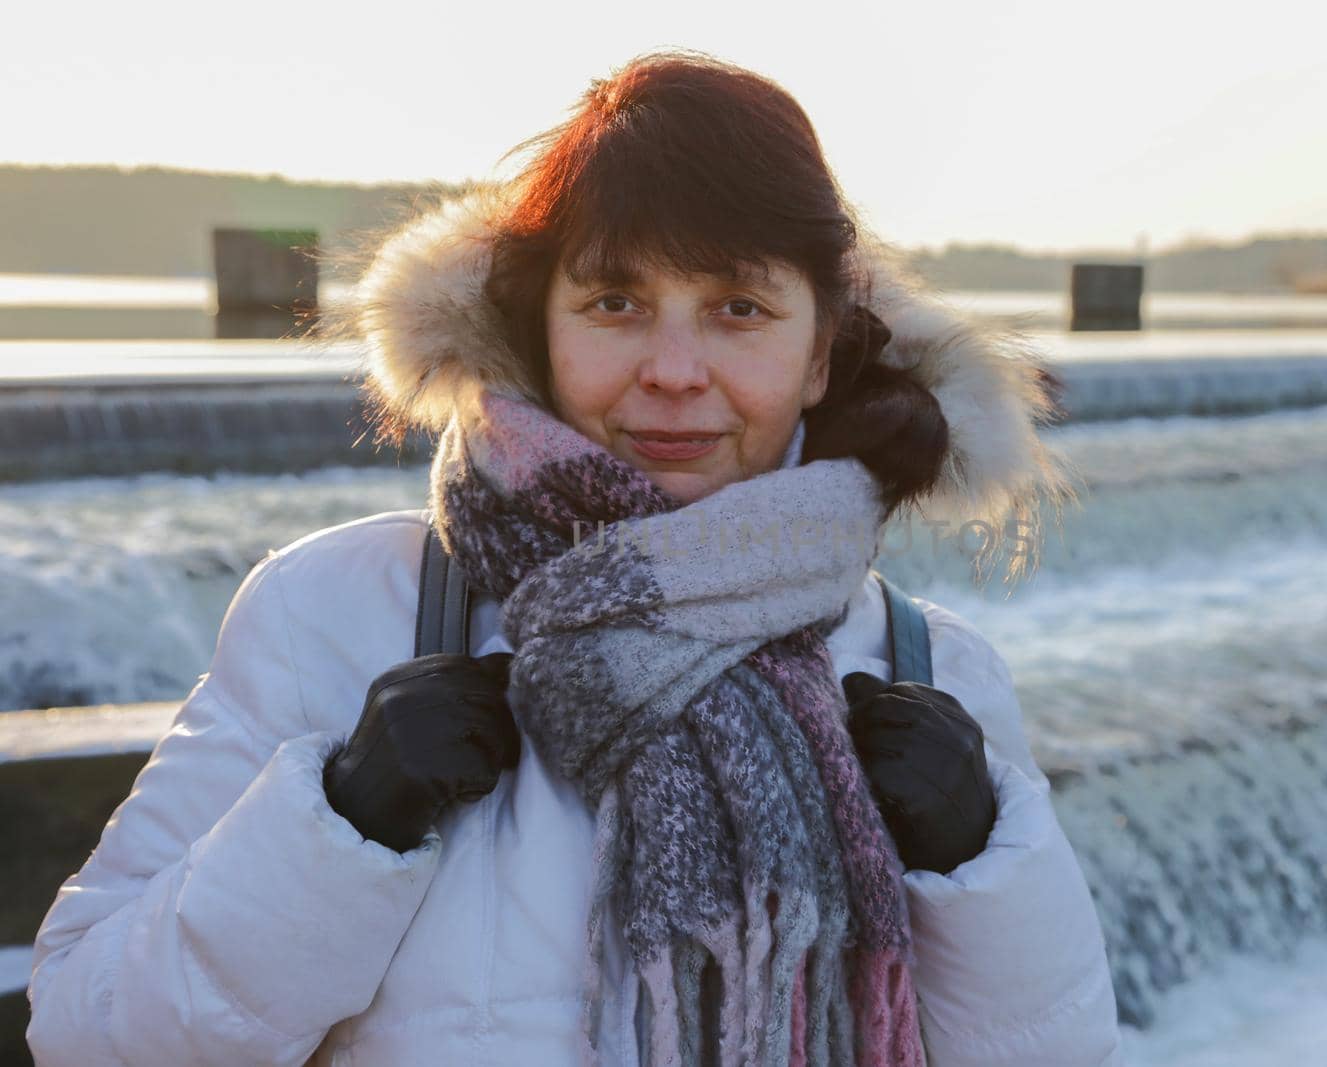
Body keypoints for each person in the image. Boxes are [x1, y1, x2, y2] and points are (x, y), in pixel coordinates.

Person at [25, 50, 1122, 1067]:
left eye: (739, 308)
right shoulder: (341, 612)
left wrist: (976, 861)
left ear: (821, 353)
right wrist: (340, 823)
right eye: (615, 303)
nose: (674, 369)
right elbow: (84, 1029)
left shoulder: (929, 666)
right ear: (538, 328)